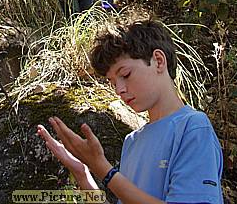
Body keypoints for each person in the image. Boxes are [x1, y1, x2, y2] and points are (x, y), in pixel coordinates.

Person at [37, 20, 224, 204]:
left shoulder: (192, 128)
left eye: (125, 74)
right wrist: (83, 174)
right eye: (112, 82)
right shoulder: (132, 142)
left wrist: (104, 170)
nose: (119, 89)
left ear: (159, 61)